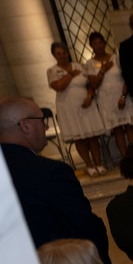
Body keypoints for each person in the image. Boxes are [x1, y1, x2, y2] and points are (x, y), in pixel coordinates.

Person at [0, 96, 118, 264]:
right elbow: (84, 226)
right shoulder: (50, 172)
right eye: (42, 121)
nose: (45, 126)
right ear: (25, 125)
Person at [47, 41, 108, 176]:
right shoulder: (52, 71)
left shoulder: (79, 66)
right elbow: (58, 87)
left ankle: (99, 163)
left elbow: (90, 84)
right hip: (67, 106)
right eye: (58, 54)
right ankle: (89, 166)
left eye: (64, 53)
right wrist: (70, 75)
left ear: (68, 53)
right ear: (54, 56)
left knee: (92, 135)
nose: (62, 56)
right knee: (79, 138)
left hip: (86, 103)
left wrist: (90, 96)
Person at [86, 32, 133, 158]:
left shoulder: (116, 58)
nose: (98, 45)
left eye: (100, 42)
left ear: (105, 43)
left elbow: (127, 77)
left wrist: (123, 96)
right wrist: (103, 70)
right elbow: (94, 84)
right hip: (106, 99)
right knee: (117, 129)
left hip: (123, 95)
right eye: (95, 43)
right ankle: (126, 158)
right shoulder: (90, 63)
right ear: (91, 46)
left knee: (130, 126)